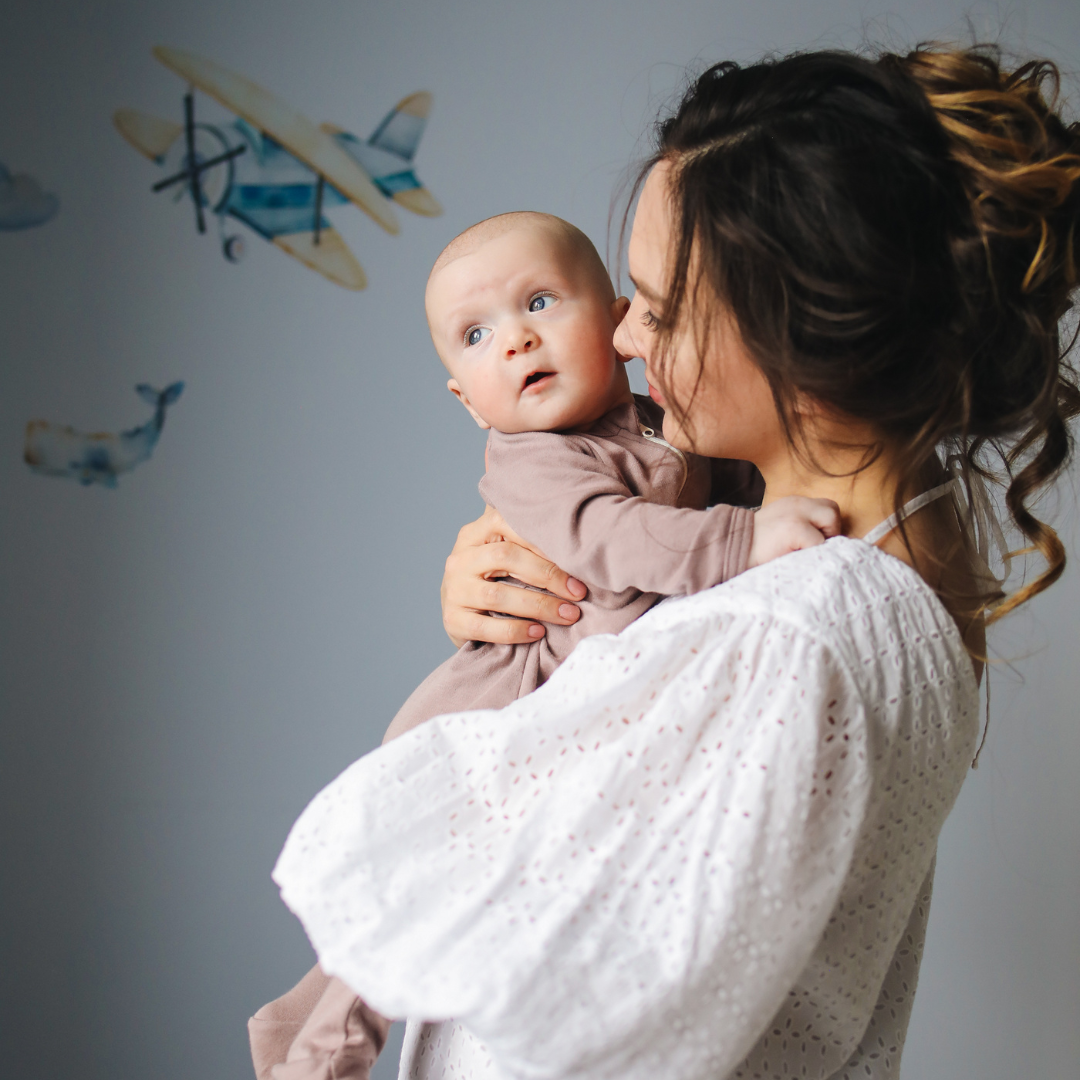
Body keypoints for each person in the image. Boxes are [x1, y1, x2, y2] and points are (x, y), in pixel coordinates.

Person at [270, 43, 1080, 1080]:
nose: (629, 333)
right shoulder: (908, 552)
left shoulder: (780, 635)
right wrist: (543, 613)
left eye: (657, 299)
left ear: (791, 323)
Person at [249, 212, 840, 1080]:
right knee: (408, 900)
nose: (517, 340)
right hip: (497, 705)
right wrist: (746, 541)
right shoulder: (530, 461)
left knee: (443, 907)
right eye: (478, 335)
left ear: (615, 319)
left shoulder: (661, 424)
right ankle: (314, 1053)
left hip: (565, 706)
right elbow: (618, 541)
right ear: (464, 395)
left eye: (540, 303)